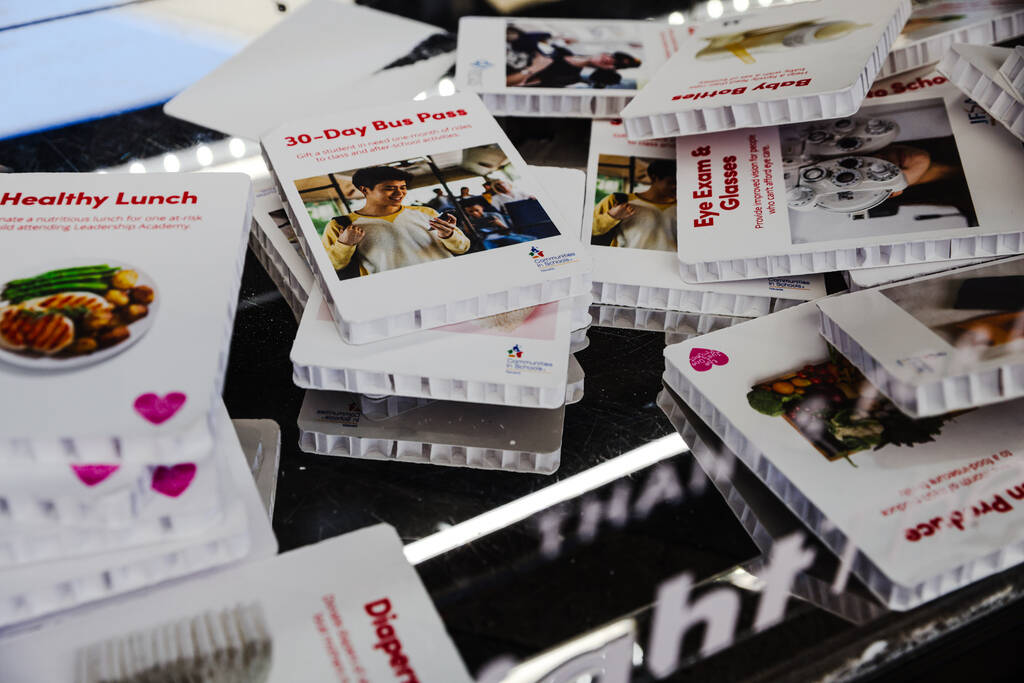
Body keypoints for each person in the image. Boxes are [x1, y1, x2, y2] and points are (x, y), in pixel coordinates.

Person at [320, 166, 470, 277]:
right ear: (365, 190)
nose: (400, 193)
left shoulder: (426, 213)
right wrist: (344, 244)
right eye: (389, 188)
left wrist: (449, 235)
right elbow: (332, 267)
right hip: (391, 292)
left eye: (403, 187)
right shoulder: (340, 225)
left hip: (445, 278)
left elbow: (463, 248)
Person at [592, 159, 677, 251]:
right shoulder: (617, 200)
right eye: (672, 182)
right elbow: (589, 230)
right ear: (654, 178)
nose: (676, 187)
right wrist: (612, 217)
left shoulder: (686, 209)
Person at [507, 46, 641, 89]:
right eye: (612, 56)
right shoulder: (563, 50)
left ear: (609, 69)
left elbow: (509, 84)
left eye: (614, 64)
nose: (608, 59)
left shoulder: (569, 77)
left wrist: (533, 68)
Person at [463, 203, 534, 249]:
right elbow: (472, 240)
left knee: (524, 242)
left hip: (503, 235)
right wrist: (468, 231)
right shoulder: (467, 221)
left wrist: (500, 224)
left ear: (482, 208)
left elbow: (508, 232)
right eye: (471, 211)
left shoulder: (494, 215)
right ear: (466, 212)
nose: (475, 213)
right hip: (485, 239)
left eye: (477, 210)